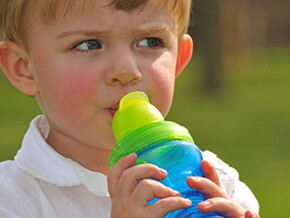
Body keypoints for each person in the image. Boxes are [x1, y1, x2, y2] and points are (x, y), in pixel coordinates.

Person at [0, 0, 260, 217]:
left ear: (179, 59)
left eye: (150, 42)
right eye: (89, 44)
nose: (126, 71)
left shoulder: (217, 184)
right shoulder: (13, 200)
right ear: (24, 67)